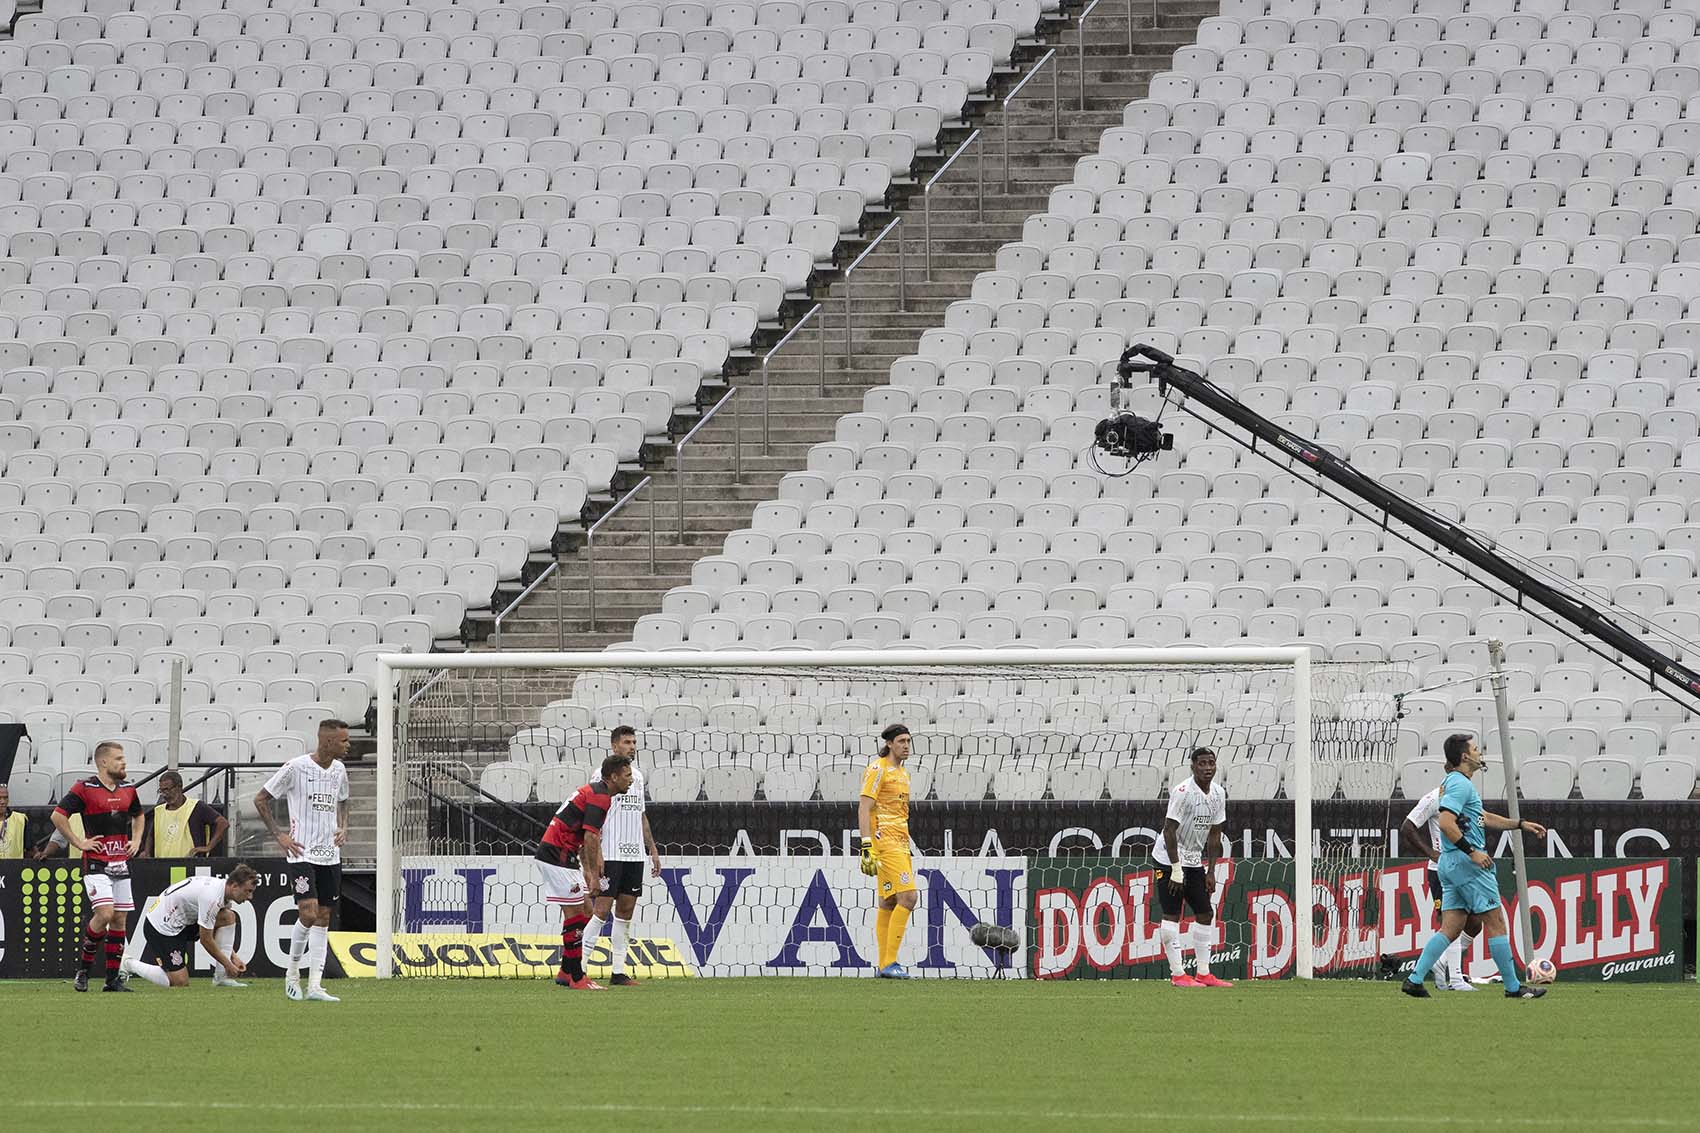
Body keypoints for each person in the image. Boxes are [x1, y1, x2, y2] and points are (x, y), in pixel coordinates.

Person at [1401, 734, 1549, 1000]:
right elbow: (1446, 823)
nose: (1480, 752)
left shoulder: (1455, 783)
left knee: (1451, 927)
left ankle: (1414, 979)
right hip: (1466, 865)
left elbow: (1483, 817)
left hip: (1448, 864)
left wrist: (1520, 824)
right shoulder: (1460, 785)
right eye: (1475, 748)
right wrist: (1472, 853)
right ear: (1465, 756)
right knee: (1496, 922)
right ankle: (1514, 987)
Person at [254, 719, 351, 1003]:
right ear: (328, 741)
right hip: (301, 852)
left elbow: (343, 800)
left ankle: (315, 987)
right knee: (308, 914)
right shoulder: (296, 767)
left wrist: (343, 826)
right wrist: (279, 835)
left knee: (323, 917)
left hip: (330, 855)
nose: (348, 745)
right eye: (344, 741)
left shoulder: (340, 770)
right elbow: (261, 799)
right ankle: (292, 974)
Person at [534, 754, 634, 990]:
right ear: (614, 776)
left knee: (585, 910)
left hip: (558, 854)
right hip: (556, 855)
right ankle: (578, 978)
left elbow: (586, 836)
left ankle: (565, 972)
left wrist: (589, 872)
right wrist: (593, 876)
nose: (631, 780)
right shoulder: (600, 797)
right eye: (627, 776)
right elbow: (590, 837)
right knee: (576, 915)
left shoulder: (596, 792)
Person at [52, 741, 145, 992]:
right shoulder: (85, 788)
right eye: (118, 759)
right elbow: (58, 815)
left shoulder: (128, 789)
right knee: (105, 914)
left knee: (119, 919)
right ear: (103, 762)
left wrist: (136, 840)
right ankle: (83, 970)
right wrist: (79, 842)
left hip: (121, 863)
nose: (123, 763)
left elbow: (138, 815)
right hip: (96, 863)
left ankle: (111, 980)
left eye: (123, 758)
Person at [583, 726, 662, 987]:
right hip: (611, 853)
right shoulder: (601, 776)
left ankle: (618, 972)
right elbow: (594, 817)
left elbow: (641, 814)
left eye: (634, 742)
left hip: (634, 854)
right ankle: (579, 968)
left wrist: (651, 849)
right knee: (602, 910)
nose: (632, 746)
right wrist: (598, 854)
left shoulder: (636, 777)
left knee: (626, 910)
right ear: (615, 746)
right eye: (627, 742)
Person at [1152, 747, 1233, 988]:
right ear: (1193, 766)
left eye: (1211, 763)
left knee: (1205, 913)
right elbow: (1168, 830)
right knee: (1171, 915)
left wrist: (1210, 871)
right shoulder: (1182, 792)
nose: (1207, 768)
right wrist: (1176, 870)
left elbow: (1215, 835)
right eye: (1202, 764)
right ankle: (1178, 974)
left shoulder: (1219, 793)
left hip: (1194, 861)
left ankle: (1203, 973)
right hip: (1168, 860)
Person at [124, 864, 259, 989]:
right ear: (234, 886)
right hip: (161, 928)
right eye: (248, 891)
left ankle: (221, 978)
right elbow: (206, 940)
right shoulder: (212, 897)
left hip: (184, 922)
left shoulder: (223, 893)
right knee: (180, 983)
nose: (250, 897)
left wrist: (233, 957)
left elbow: (212, 930)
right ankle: (128, 963)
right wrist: (228, 964)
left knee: (227, 916)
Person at [1401, 775, 1476, 992]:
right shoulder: (1434, 798)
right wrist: (1430, 852)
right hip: (1442, 870)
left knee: (1475, 922)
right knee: (1452, 921)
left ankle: (1440, 960)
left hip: (1467, 868)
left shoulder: (1466, 797)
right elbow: (1408, 826)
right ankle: (1456, 979)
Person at [858, 723, 917, 980]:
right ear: (890, 744)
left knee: (889, 901)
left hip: (901, 842)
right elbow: (863, 808)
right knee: (909, 897)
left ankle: (885, 965)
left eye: (908, 741)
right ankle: (890, 961)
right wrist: (866, 844)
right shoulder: (877, 770)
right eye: (901, 741)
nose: (906, 746)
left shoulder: (903, 773)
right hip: (885, 842)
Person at [142, 770, 228, 859]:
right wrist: (147, 852)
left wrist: (208, 847)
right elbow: (151, 835)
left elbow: (223, 823)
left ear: (179, 787)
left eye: (168, 789)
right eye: (162, 791)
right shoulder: (159, 810)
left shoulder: (196, 806)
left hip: (188, 864)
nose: (165, 794)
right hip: (163, 864)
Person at [0, 784, 25, 859]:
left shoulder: (20, 820)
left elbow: (31, 850)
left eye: (5, 798)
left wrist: (38, 855)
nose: (2, 802)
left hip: (14, 869)